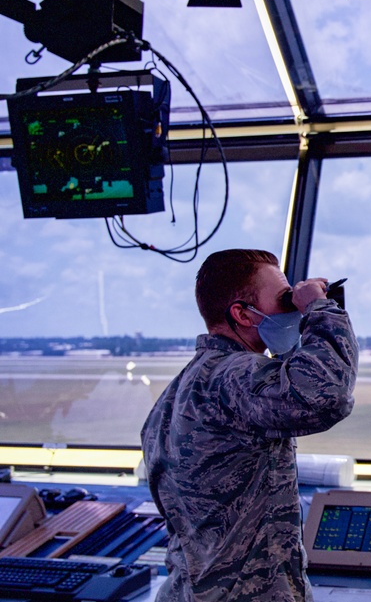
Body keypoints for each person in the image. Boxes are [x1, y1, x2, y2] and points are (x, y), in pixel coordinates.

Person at [141, 249, 359, 602]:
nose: (291, 309)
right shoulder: (235, 378)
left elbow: (285, 391)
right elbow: (326, 395)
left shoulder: (184, 387)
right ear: (242, 314)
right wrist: (320, 311)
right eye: (283, 300)